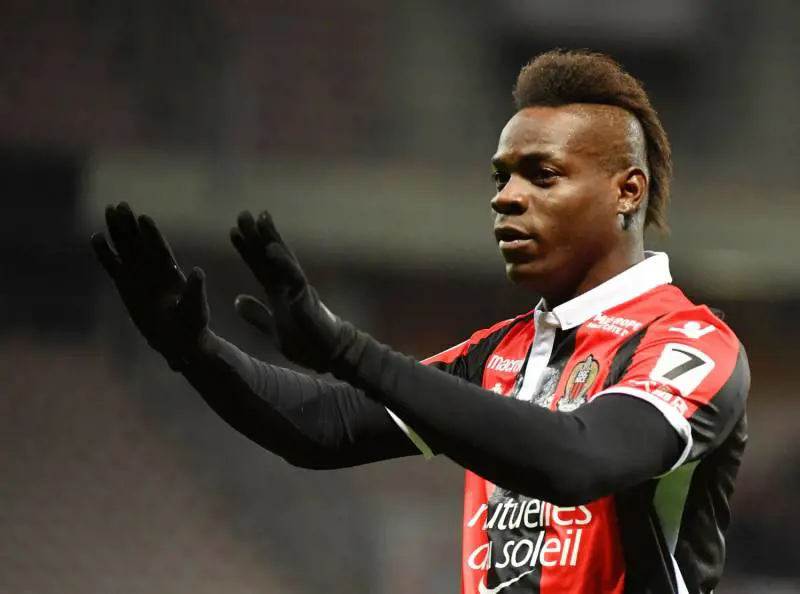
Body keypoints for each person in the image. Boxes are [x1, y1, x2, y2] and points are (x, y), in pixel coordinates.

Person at [91, 49, 749, 594]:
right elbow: (324, 428)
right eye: (501, 177)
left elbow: (577, 461)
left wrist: (351, 351)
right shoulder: (502, 352)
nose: (507, 198)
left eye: (542, 175)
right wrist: (197, 353)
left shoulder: (691, 343)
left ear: (626, 191)